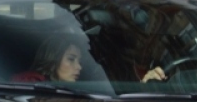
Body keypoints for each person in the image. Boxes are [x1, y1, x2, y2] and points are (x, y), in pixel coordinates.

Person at [16, 35, 168, 84]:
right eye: (71, 59)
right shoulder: (28, 83)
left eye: (80, 62)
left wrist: (144, 85)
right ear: (52, 59)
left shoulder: (85, 88)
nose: (79, 67)